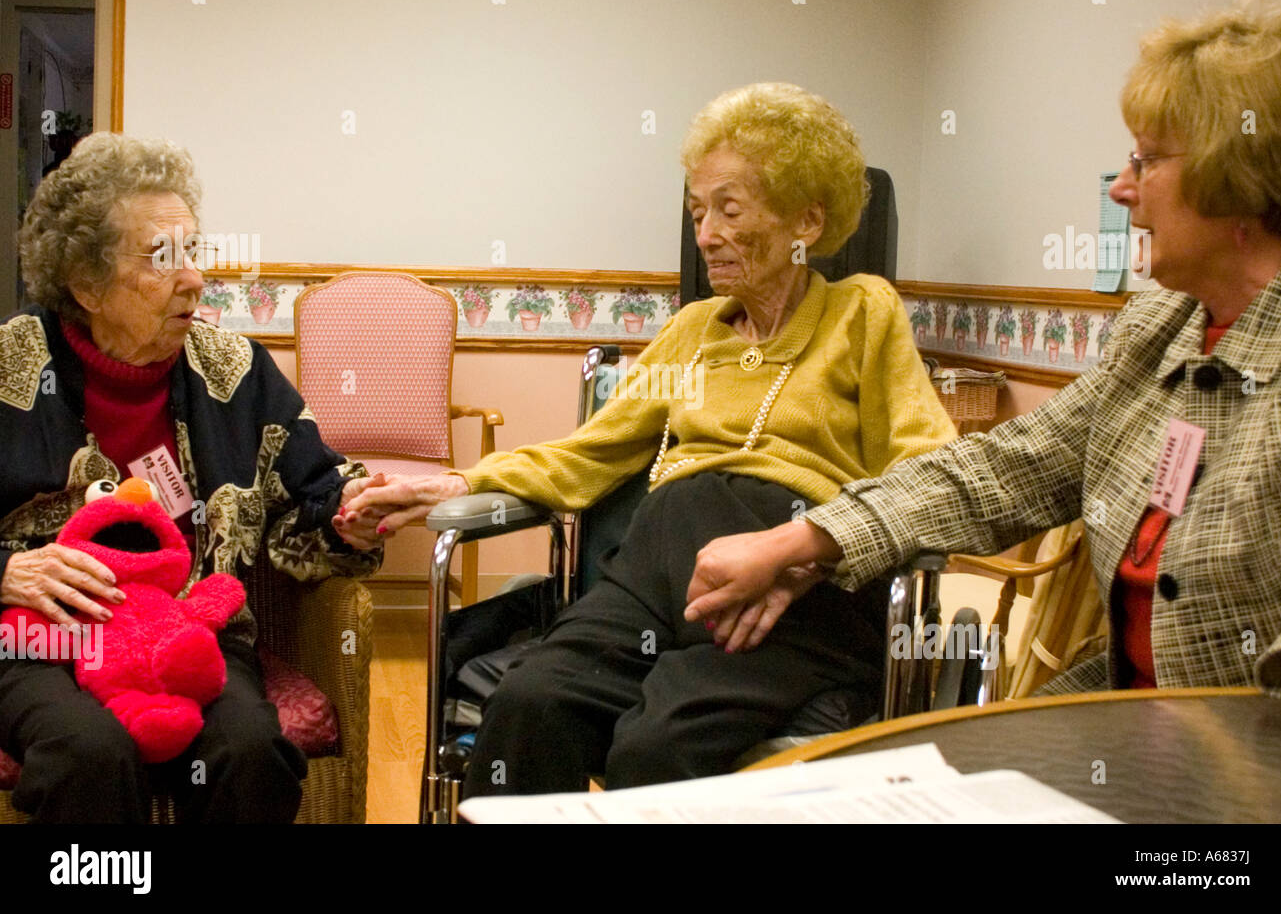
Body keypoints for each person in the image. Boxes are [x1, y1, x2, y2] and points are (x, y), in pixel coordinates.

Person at [684, 0, 1281, 744]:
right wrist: (805, 539)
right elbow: (1000, 469)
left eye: (1146, 159)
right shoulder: (1158, 328)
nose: (1120, 186)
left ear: (1233, 172)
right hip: (1129, 720)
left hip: (1255, 753)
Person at [345, 82, 956, 795]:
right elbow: (588, 453)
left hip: (787, 577)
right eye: (698, 212)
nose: (705, 234)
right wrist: (455, 482)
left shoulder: (861, 313)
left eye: (730, 209)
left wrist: (816, 545)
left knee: (657, 749)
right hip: (656, 568)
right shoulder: (691, 332)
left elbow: (930, 468)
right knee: (529, 703)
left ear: (807, 220)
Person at [0, 133, 383, 822]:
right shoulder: (11, 367)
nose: (195, 279)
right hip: (45, 640)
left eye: (194, 252)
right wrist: (4, 572)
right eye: (162, 259)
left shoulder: (233, 371)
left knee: (251, 748)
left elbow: (317, 494)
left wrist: (351, 515)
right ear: (86, 282)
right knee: (88, 753)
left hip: (191, 636)